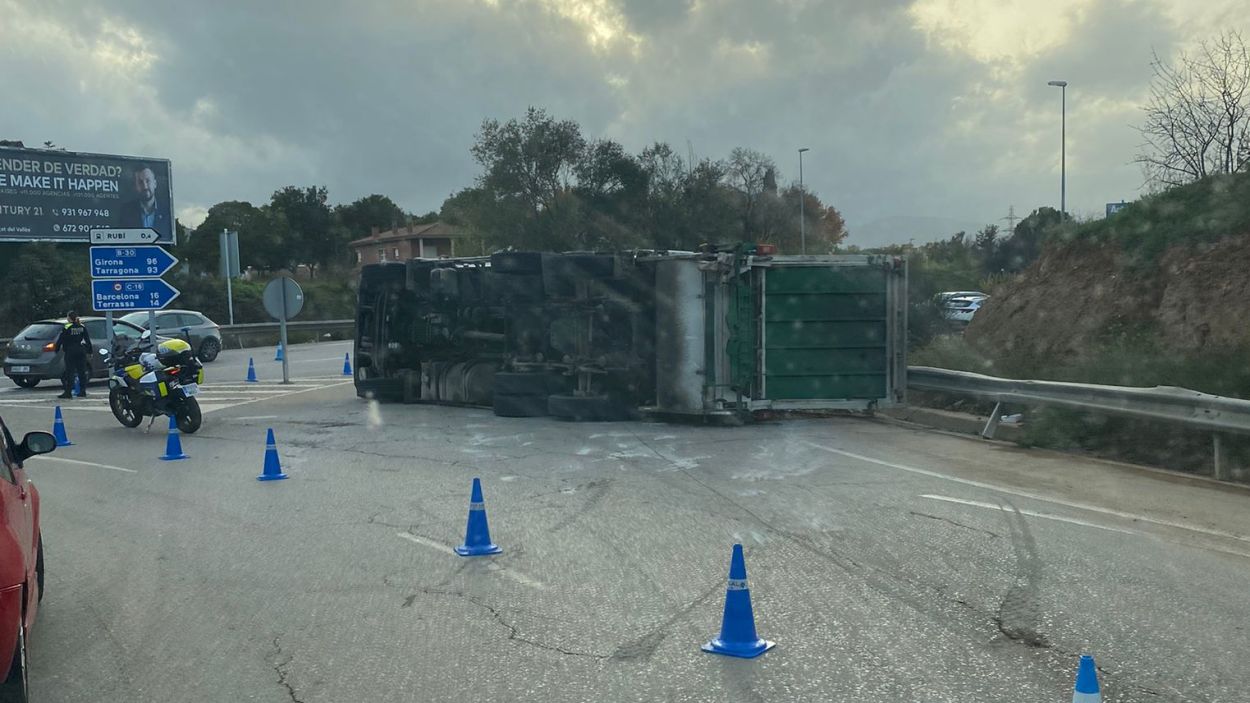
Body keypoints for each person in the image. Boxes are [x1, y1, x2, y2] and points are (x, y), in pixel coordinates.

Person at [118, 165, 171, 234]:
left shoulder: (167, 211)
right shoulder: (126, 211)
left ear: (155, 183)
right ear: (135, 186)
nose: (145, 186)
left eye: (148, 181)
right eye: (140, 182)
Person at [54, 311, 92, 399]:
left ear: (69, 318)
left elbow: (61, 339)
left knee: (70, 372)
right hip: (81, 350)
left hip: (70, 351)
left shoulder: (67, 327)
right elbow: (87, 340)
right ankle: (83, 391)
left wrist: (57, 349)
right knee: (81, 372)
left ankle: (68, 392)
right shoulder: (82, 327)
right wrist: (90, 351)